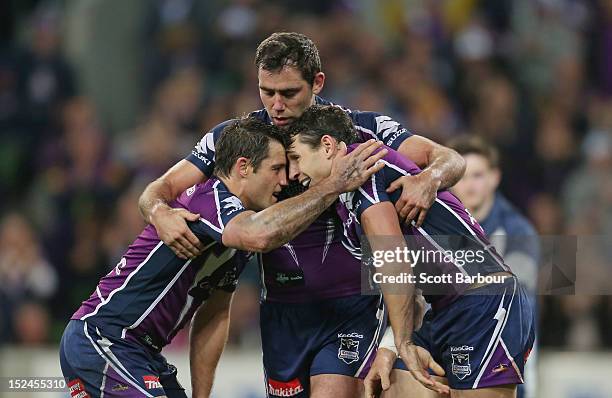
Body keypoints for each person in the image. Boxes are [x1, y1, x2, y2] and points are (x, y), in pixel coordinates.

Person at [138, 32, 466, 397]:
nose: (276, 105)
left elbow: (449, 158)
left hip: (351, 306)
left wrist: (428, 180)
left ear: (317, 83)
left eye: (289, 93)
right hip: (282, 309)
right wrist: (158, 213)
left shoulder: (356, 129)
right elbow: (159, 189)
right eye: (267, 91)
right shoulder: (236, 140)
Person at [59, 117, 386, 398]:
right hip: (103, 339)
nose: (285, 180)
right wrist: (333, 185)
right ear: (243, 167)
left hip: (141, 352)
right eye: (276, 169)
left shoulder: (235, 232)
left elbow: (213, 315)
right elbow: (259, 234)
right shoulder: (211, 198)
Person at [286, 105, 535, 398]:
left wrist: (402, 342)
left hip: (483, 301)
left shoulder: (366, 165)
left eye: (296, 158)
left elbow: (395, 263)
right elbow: (410, 286)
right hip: (443, 308)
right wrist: (392, 347)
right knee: (391, 385)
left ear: (327, 146)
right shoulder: (347, 199)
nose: (292, 173)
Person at [448, 135, 540, 398]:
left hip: (506, 350)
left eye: (477, 175)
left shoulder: (519, 232)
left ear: (494, 178)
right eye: (462, 176)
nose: (469, 185)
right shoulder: (433, 223)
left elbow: (514, 296)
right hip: (451, 344)